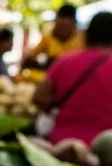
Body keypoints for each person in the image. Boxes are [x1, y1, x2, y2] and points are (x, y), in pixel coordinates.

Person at [33, 12, 112, 145]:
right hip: (105, 149)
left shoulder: (65, 61)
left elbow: (38, 97)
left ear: (86, 35)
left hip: (62, 145)